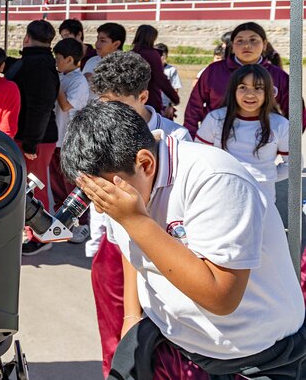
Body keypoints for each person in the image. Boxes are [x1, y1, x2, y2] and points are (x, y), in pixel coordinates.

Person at [62, 100, 306, 380]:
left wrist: (136, 221)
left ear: (145, 163)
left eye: (103, 191)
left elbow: (221, 297)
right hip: (173, 339)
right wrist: (131, 316)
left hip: (253, 355)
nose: (102, 202)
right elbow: (132, 251)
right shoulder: (124, 182)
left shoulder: (216, 179)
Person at [85, 51, 191, 377]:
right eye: (103, 102)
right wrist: (97, 238)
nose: (109, 113)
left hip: (160, 248)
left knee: (161, 342)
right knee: (115, 335)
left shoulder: (176, 138)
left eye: (119, 104)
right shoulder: (98, 132)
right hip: (115, 248)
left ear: (143, 96)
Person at [184, 21, 303, 138]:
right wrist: (192, 137)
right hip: (217, 144)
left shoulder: (278, 76)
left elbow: (297, 114)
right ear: (233, 46)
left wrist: (282, 141)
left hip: (261, 146)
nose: (246, 45)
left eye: (253, 40)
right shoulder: (214, 71)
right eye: (240, 41)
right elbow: (194, 107)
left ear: (265, 44)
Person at [4, 20, 59, 256]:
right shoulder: (37, 62)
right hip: (29, 135)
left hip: (36, 139)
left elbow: (41, 107)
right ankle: (29, 230)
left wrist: (31, 142)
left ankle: (42, 235)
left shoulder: (41, 66)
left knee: (35, 188)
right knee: (27, 186)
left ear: (27, 38)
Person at [195, 65, 287, 204]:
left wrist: (267, 175)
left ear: (268, 91)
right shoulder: (215, 119)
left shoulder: (280, 124)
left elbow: (293, 164)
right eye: (243, 87)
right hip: (222, 193)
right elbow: (199, 158)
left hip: (263, 197)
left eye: (258, 88)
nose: (250, 94)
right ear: (233, 90)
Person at [48, 37, 90, 243]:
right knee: (56, 182)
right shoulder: (63, 76)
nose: (56, 62)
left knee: (71, 183)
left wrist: (55, 85)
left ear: (70, 59)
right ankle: (61, 220)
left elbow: (66, 106)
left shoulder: (78, 81)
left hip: (69, 140)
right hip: (55, 139)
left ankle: (81, 223)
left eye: (59, 58)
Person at [131, 25, 179, 113]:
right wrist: (174, 98)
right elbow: (160, 79)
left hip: (131, 100)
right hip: (150, 99)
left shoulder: (130, 54)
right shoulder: (152, 55)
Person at [154, 43, 182, 119]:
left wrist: (170, 106)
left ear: (166, 56)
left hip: (166, 106)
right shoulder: (150, 69)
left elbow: (175, 89)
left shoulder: (171, 70)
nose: (160, 57)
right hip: (152, 105)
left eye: (162, 55)